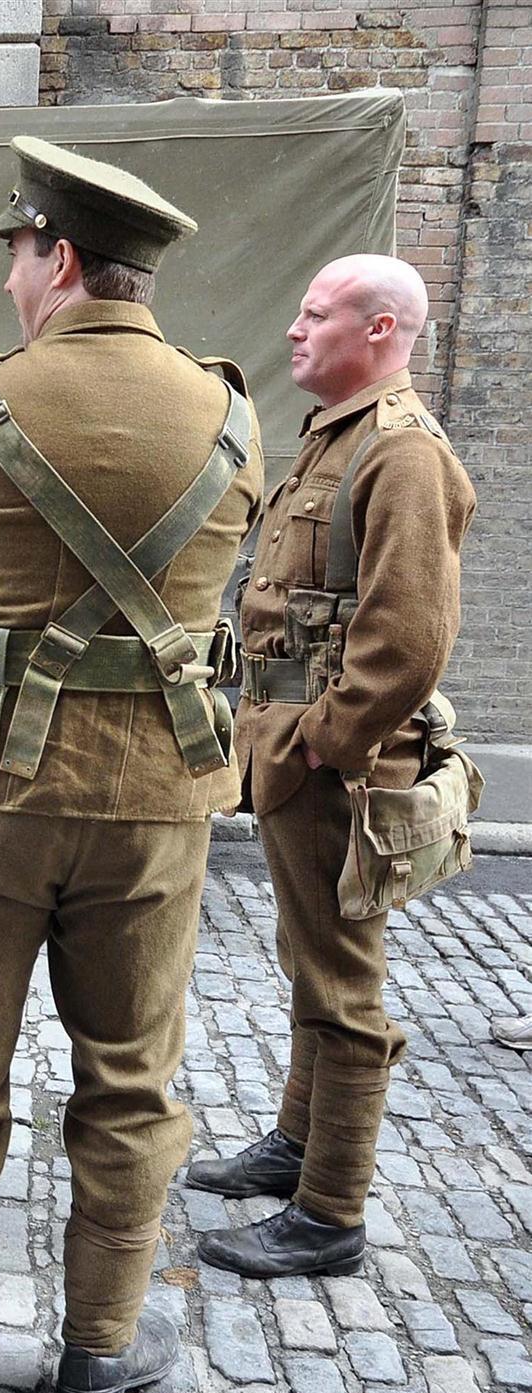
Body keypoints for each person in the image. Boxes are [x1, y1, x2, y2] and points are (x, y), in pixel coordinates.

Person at [0, 136, 264, 1393]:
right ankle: (98, 1343)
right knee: (132, 1078)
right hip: (154, 802)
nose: (15, 279)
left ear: (63, 257)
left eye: (22, 253)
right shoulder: (234, 415)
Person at [190, 255, 475, 1277]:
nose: (292, 332)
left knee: (344, 987)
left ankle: (328, 1211)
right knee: (308, 959)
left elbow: (406, 638)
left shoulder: (400, 453)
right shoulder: (336, 436)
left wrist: (323, 741)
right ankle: (294, 1145)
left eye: (315, 316)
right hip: (295, 757)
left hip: (335, 769)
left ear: (382, 327)